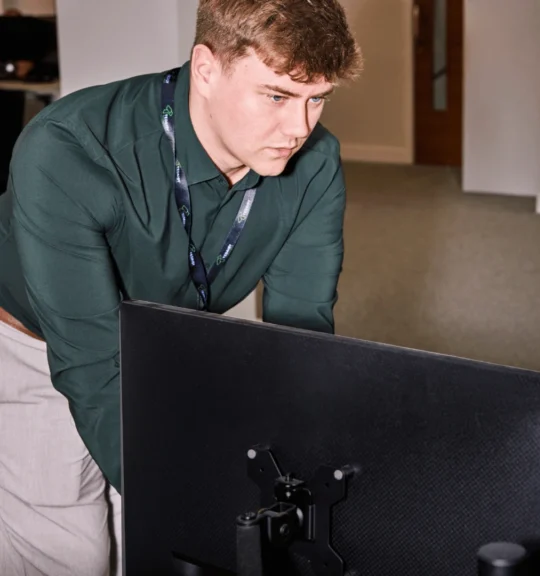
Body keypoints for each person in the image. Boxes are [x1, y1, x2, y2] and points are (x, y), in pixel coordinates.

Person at [0, 0, 362, 573]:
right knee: (76, 554)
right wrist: (198, 509)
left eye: (318, 98)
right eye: (276, 95)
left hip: (172, 344)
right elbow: (91, 369)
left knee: (156, 548)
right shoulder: (67, 149)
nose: (299, 128)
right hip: (38, 349)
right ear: (206, 68)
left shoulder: (315, 163)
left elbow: (302, 334)